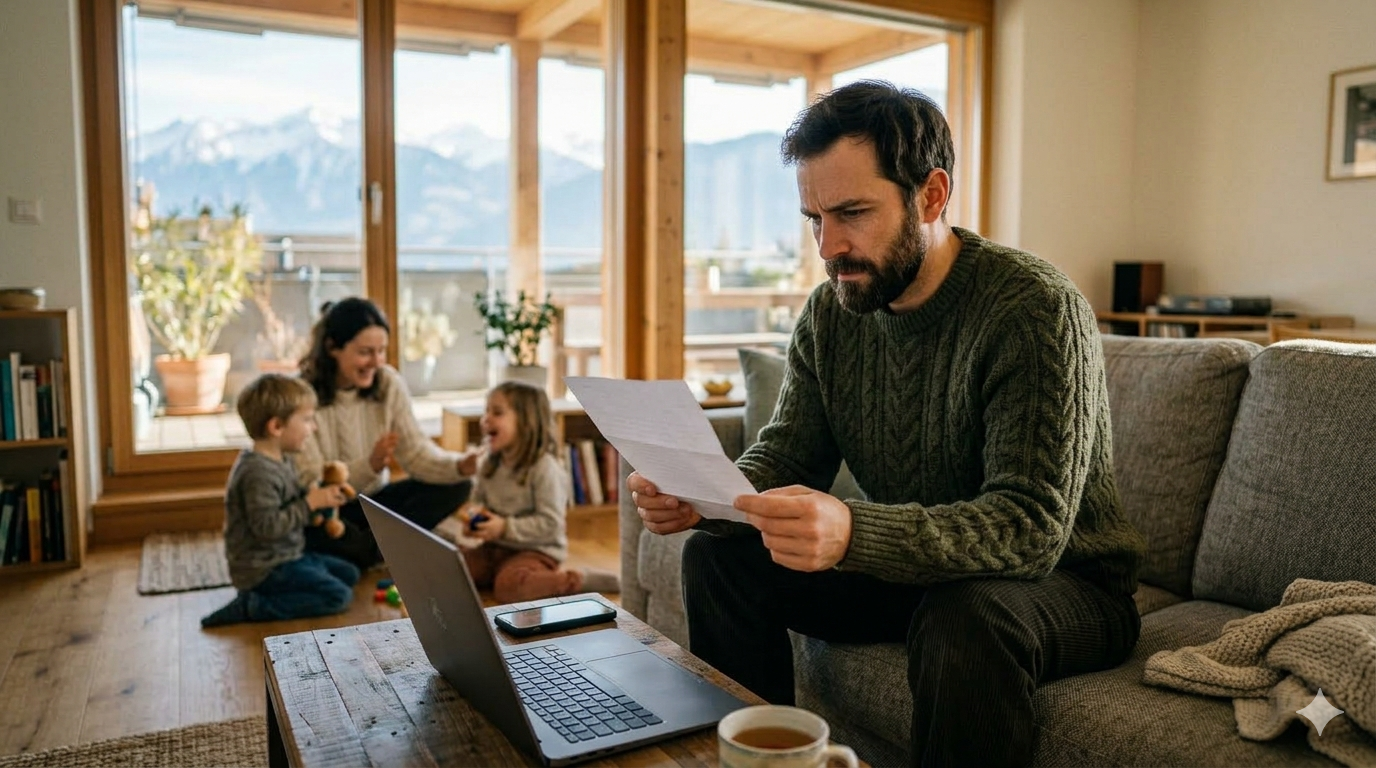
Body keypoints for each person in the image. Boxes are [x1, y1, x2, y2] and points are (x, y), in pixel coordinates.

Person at [627, 80, 1146, 768]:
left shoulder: (1032, 308)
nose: (828, 244)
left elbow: (1030, 530)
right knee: (720, 558)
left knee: (968, 617)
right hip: (918, 572)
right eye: (813, 217)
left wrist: (854, 531)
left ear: (931, 195)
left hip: (1065, 586)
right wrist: (705, 494)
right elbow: (786, 456)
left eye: (852, 212)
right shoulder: (830, 314)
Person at [296, 297, 480, 571]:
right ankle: (383, 549)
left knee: (459, 484)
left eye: (381, 351)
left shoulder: (388, 383)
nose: (376, 361)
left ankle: (372, 550)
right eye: (365, 352)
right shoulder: (302, 395)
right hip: (329, 511)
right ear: (333, 347)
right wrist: (368, 465)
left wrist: (459, 465)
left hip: (376, 504)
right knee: (313, 531)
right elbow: (311, 483)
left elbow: (416, 454)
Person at [433, 380, 620, 602]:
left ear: (526, 422)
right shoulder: (488, 463)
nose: (486, 419)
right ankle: (497, 574)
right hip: (493, 548)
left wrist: (504, 527)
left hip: (535, 551)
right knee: (452, 570)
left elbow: (550, 525)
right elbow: (477, 504)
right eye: (486, 411)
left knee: (510, 588)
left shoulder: (544, 468)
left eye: (497, 412)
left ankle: (577, 578)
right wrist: (472, 521)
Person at [202, 374, 358, 628]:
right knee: (339, 597)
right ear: (276, 427)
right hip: (263, 569)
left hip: (288, 554)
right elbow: (267, 527)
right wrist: (309, 504)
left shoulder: (280, 459)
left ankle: (280, 591)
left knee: (349, 574)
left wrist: (316, 498)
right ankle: (253, 605)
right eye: (307, 420)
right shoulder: (257, 473)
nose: (314, 427)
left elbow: (289, 505)